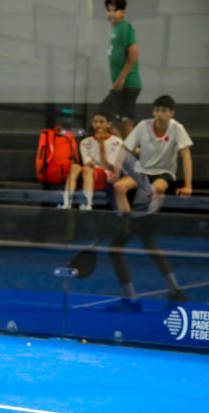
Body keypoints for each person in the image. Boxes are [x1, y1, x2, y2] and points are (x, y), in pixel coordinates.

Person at [107, 95, 192, 303]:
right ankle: (127, 223)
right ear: (153, 111)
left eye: (164, 110)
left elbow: (186, 156)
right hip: (142, 174)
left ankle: (139, 297)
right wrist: (116, 171)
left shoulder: (177, 128)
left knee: (155, 189)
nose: (160, 113)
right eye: (157, 110)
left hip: (163, 175)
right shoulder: (144, 126)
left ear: (172, 113)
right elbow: (124, 149)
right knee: (120, 187)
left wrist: (188, 185)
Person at [61, 109, 125, 210]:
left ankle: (88, 204)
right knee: (75, 167)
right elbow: (87, 163)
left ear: (109, 124)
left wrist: (101, 144)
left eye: (101, 122)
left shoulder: (117, 142)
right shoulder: (85, 142)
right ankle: (66, 202)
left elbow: (108, 166)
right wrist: (91, 165)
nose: (98, 125)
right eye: (95, 122)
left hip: (106, 176)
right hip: (88, 173)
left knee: (87, 170)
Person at [100, 0, 142, 139]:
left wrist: (122, 78)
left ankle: (128, 148)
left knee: (122, 119)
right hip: (121, 84)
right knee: (118, 119)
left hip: (128, 84)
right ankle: (122, 145)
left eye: (114, 10)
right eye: (108, 10)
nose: (110, 13)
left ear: (123, 12)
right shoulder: (116, 29)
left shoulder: (125, 28)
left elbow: (134, 51)